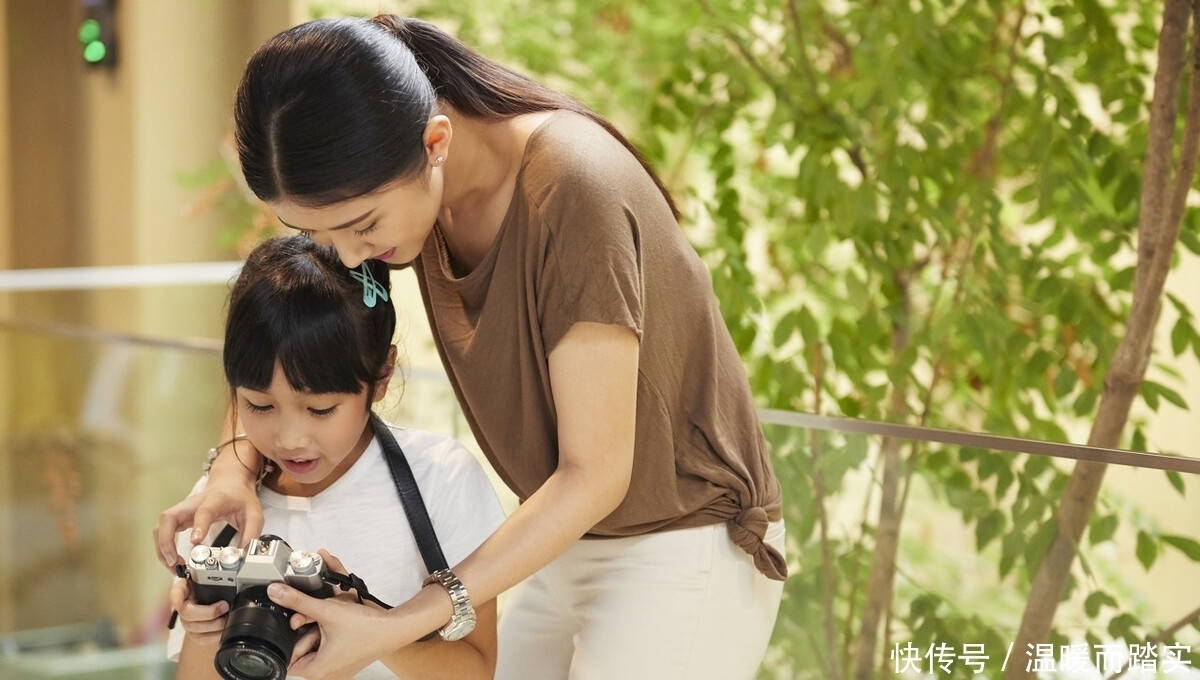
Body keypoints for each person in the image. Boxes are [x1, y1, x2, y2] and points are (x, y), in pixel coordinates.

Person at [155, 14, 787, 680]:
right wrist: (232, 466)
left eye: (359, 226)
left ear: (435, 142)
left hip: (683, 545)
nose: (344, 254)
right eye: (314, 230)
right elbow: (281, 336)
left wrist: (397, 623)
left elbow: (597, 473)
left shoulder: (575, 191)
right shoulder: (396, 195)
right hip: (564, 543)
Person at [165, 234, 506, 679]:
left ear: (381, 375)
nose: (289, 438)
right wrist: (203, 631)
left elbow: (477, 670)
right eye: (259, 405)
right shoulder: (223, 502)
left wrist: (371, 627)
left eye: (320, 409)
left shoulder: (440, 479)